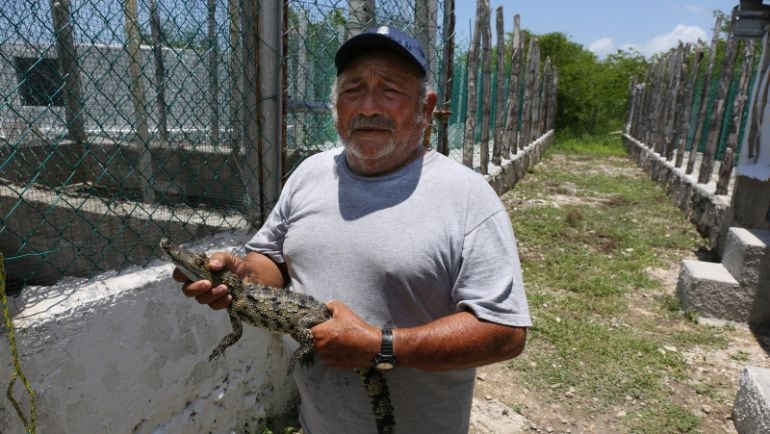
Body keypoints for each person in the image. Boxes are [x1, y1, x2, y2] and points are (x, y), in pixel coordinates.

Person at [176, 25, 531, 433]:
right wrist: (237, 278)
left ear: (427, 109)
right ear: (336, 106)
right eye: (353, 90)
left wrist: (382, 347)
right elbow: (273, 262)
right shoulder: (310, 173)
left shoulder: (468, 196)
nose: (368, 107)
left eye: (391, 90)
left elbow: (504, 332)